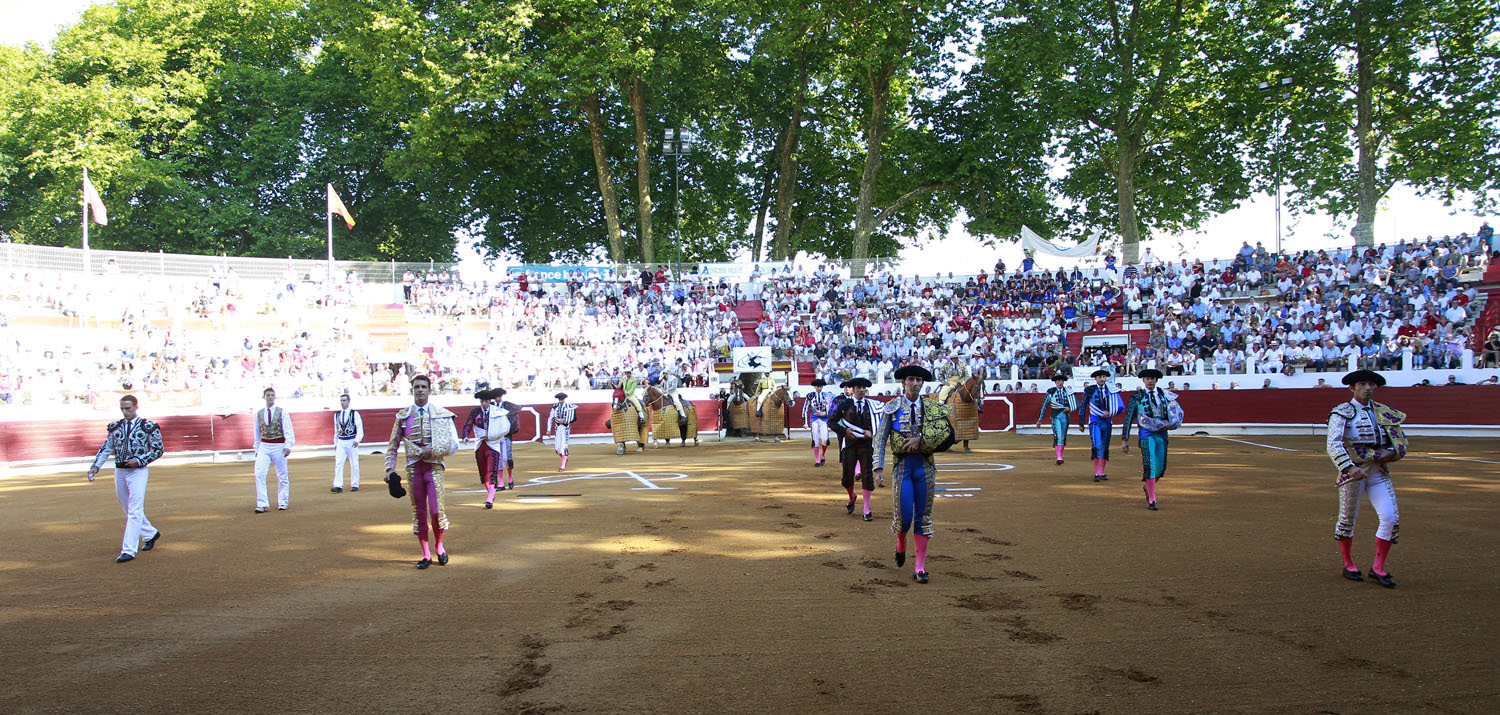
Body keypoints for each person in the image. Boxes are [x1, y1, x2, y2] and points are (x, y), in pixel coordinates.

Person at [1327, 369, 1407, 588]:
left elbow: (1398, 441)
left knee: (1390, 518)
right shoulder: (1342, 412)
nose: (1368, 388)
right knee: (1347, 520)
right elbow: (1333, 443)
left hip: (1378, 471)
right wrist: (1348, 467)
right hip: (1354, 473)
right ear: (1352, 388)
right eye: (1363, 384)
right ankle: (1348, 564)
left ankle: (1378, 568)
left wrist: (1391, 452)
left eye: (1371, 384)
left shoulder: (1384, 412)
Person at [874, 364, 952, 584]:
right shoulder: (892, 407)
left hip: (926, 467)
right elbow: (880, 439)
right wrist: (878, 468)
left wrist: (923, 441)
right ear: (903, 382)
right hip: (903, 468)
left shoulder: (932, 407)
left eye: (919, 380)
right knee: (904, 518)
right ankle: (901, 544)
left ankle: (920, 567)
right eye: (911, 380)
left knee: (924, 518)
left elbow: (947, 436)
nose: (915, 384)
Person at [384, 374, 460, 569]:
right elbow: (392, 446)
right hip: (413, 468)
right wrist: (389, 470)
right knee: (419, 512)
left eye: (423, 387)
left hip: (434, 467)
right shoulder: (403, 416)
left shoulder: (441, 414)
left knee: (436, 511)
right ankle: (426, 554)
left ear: (429, 390)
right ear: (412, 389)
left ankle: (439, 547)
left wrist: (432, 450)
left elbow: (453, 444)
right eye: (416, 387)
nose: (419, 390)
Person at [88, 395, 164, 563]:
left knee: (134, 509)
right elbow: (107, 447)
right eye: (122, 408)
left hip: (138, 471)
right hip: (120, 471)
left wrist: (139, 460)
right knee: (127, 507)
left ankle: (129, 549)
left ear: (136, 407)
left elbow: (158, 449)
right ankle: (150, 534)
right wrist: (96, 466)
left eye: (128, 408)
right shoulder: (115, 427)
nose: (125, 411)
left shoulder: (148, 426)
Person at [1121, 368, 1180, 510]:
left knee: (1161, 466)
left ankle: (1148, 487)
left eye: (1152, 378)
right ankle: (1152, 499)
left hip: (1162, 433)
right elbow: (1128, 418)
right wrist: (1125, 438)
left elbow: (1173, 412)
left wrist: (1170, 422)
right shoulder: (1137, 397)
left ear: (1156, 380)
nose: (1150, 381)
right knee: (1150, 464)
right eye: (1147, 378)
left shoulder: (1164, 394)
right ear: (1143, 380)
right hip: (1146, 434)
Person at [829, 377, 880, 521]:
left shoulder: (872, 405)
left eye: (864, 388)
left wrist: (871, 431)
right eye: (859, 387)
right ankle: (852, 497)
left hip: (866, 444)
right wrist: (845, 432)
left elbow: (880, 422)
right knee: (847, 475)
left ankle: (866, 509)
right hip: (849, 444)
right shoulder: (844, 404)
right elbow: (831, 422)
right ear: (852, 389)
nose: (862, 390)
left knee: (866, 475)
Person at [252, 387, 295, 513]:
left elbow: (288, 429)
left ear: (274, 397)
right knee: (259, 473)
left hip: (279, 445)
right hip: (264, 445)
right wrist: (257, 448)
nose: (270, 397)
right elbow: (257, 432)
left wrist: (288, 445)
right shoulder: (259, 413)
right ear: (264, 397)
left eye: (272, 395)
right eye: (268, 395)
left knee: (282, 475)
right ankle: (262, 503)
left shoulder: (282, 412)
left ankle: (283, 501)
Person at [1079, 369, 1122, 482]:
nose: (1102, 379)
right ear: (1096, 379)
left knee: (1104, 447)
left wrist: (1110, 412)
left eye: (1104, 377)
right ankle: (1097, 473)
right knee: (1097, 445)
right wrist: (1081, 422)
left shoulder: (1111, 390)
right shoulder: (1090, 390)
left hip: (1107, 422)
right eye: (1100, 377)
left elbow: (1118, 405)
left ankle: (1102, 472)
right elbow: (1083, 406)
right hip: (1095, 421)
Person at [482, 388, 524, 505]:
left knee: (507, 458)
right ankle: (501, 482)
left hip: (506, 436)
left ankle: (510, 477)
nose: (497, 398)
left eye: (499, 396)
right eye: (495, 396)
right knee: (498, 459)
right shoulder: (490, 407)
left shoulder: (507, 406)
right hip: (495, 437)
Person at [460, 388, 497, 503]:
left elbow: (503, 426)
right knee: (484, 473)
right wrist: (465, 435)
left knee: (491, 472)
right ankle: (490, 493)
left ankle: (490, 498)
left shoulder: (497, 412)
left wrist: (494, 435)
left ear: (490, 401)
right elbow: (468, 425)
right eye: (482, 401)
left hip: (493, 445)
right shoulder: (475, 412)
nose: (484, 404)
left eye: (486, 401)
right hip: (480, 445)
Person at [1034, 373, 1077, 465]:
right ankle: (1059, 457)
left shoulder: (1068, 391)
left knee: (1063, 436)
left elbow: (1076, 404)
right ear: (1055, 382)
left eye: (1062, 381)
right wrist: (1040, 419)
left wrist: (1070, 409)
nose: (1060, 382)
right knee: (1058, 436)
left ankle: (1060, 455)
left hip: (1065, 417)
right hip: (1055, 417)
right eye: (1058, 381)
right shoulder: (1051, 392)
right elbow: (1044, 406)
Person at [331, 393, 364, 493]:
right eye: (341, 400)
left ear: (348, 401)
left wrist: (357, 440)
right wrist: (335, 443)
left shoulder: (355, 414)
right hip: (341, 441)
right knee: (339, 463)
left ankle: (355, 484)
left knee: (354, 463)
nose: (342, 402)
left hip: (351, 440)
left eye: (344, 400)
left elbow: (359, 428)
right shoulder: (336, 415)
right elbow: (336, 430)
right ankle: (338, 485)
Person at [801, 378, 833, 466]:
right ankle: (817, 460)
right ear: (815, 387)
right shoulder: (810, 396)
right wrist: (805, 422)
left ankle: (823, 455)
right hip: (814, 419)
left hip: (824, 419)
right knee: (815, 439)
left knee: (825, 439)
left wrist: (825, 413)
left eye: (820, 386)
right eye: (817, 386)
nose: (819, 388)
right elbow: (805, 408)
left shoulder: (827, 396)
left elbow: (831, 409)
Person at [545, 391, 578, 471]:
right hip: (558, 428)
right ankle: (564, 459)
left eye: (562, 399)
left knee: (564, 446)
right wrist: (548, 430)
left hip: (565, 428)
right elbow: (550, 418)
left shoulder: (569, 406)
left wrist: (565, 420)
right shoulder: (555, 406)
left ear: (564, 399)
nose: (561, 401)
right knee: (557, 449)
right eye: (560, 399)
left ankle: (563, 465)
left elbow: (574, 418)